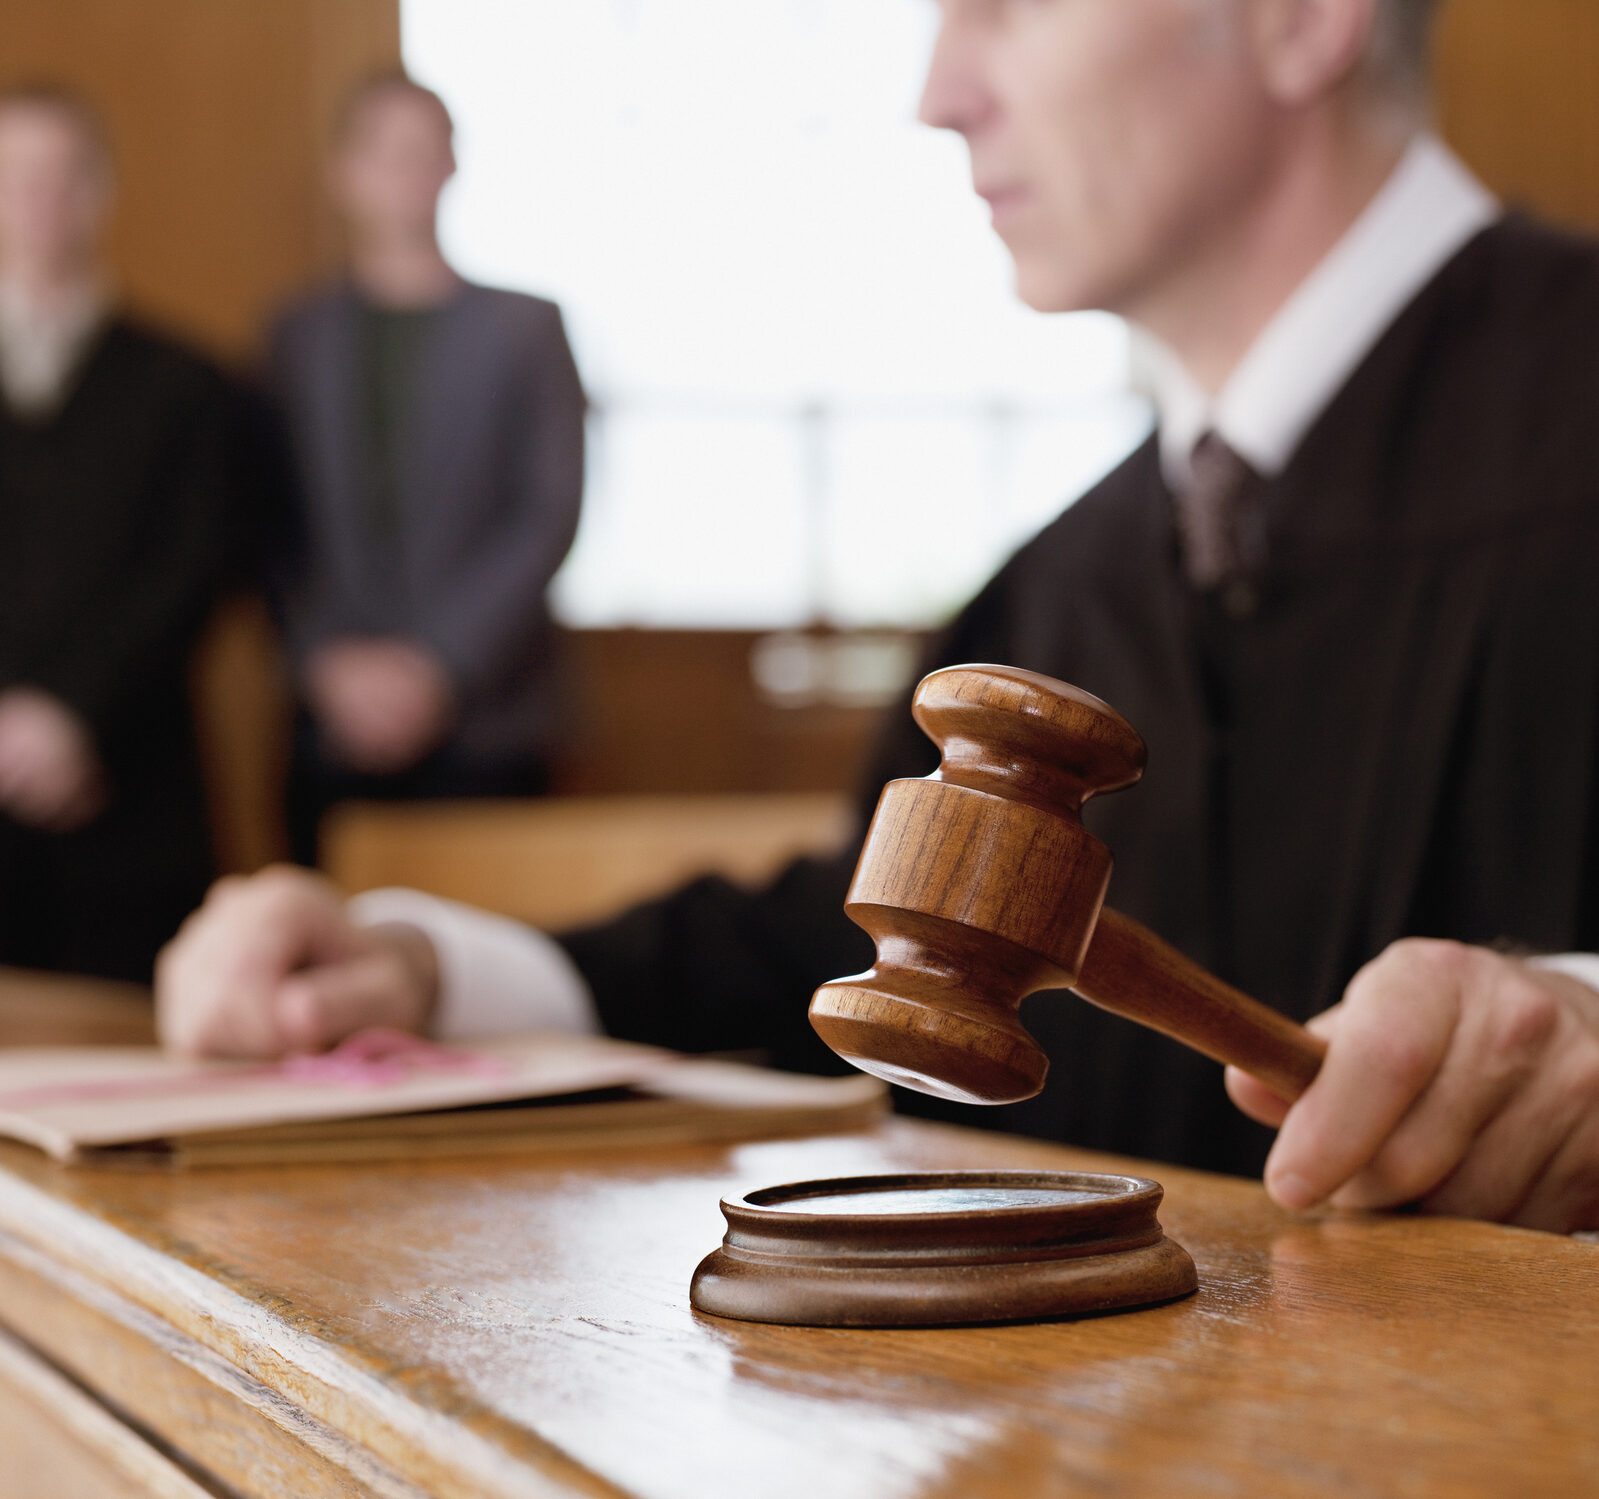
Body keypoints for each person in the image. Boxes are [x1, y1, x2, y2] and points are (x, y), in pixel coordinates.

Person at [158, 0, 1599, 1234]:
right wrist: (420, 970)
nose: (936, 94)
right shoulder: (1061, 577)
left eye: (1010, 5)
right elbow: (858, 945)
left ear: (1297, 17)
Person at [268, 72, 586, 864]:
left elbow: (547, 511)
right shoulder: (294, 337)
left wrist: (438, 667)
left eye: (424, 150)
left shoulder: (525, 327)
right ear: (343, 172)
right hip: (328, 720)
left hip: (488, 718)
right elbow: (267, 521)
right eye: (384, 152)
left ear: (452, 165)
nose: (405, 171)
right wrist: (328, 663)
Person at [0, 84, 242, 982]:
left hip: (133, 792)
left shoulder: (185, 385)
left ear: (101, 193)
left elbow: (195, 565)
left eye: (63, 178)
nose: (40, 202)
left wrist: (72, 713)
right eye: (17, 177)